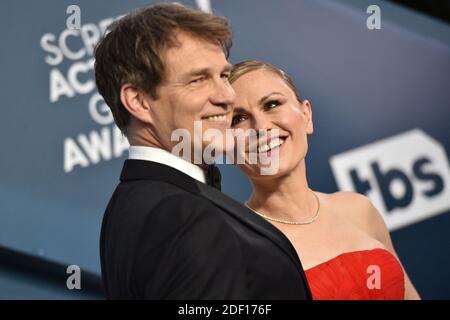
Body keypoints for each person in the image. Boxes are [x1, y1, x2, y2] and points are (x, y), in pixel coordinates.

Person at [94, 4, 311, 299]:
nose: (226, 96)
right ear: (139, 101)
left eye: (223, 75)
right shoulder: (182, 217)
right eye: (198, 80)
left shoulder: (130, 203)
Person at [229, 60, 421, 300]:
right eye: (238, 119)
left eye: (272, 104)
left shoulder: (358, 209)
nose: (260, 126)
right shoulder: (235, 246)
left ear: (306, 115)